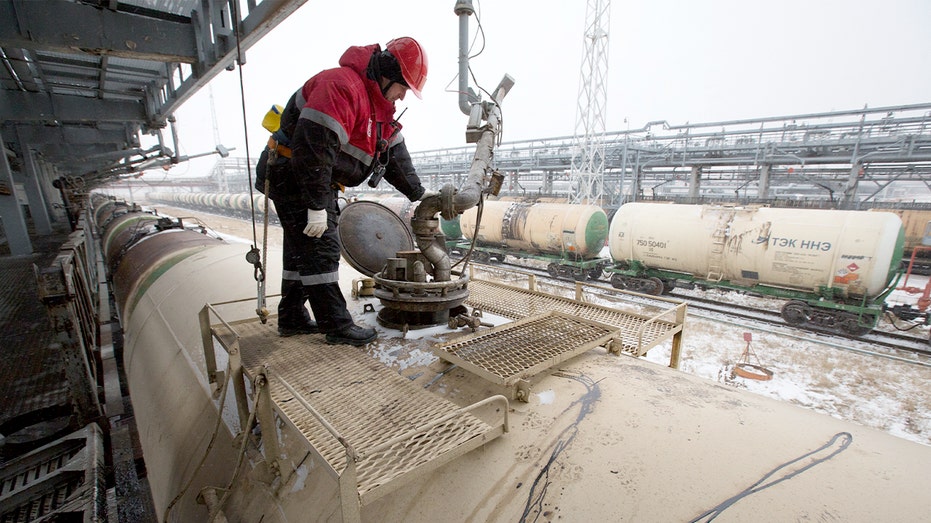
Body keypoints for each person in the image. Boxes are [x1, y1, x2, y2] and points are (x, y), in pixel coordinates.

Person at [256, 37, 430, 346]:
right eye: (404, 88)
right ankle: (336, 325)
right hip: (292, 174)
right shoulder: (342, 87)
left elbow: (395, 160)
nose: (403, 97)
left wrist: (419, 194)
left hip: (309, 179)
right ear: (389, 75)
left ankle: (292, 317)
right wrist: (316, 206)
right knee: (321, 248)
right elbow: (313, 150)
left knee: (300, 251)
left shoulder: (380, 112)